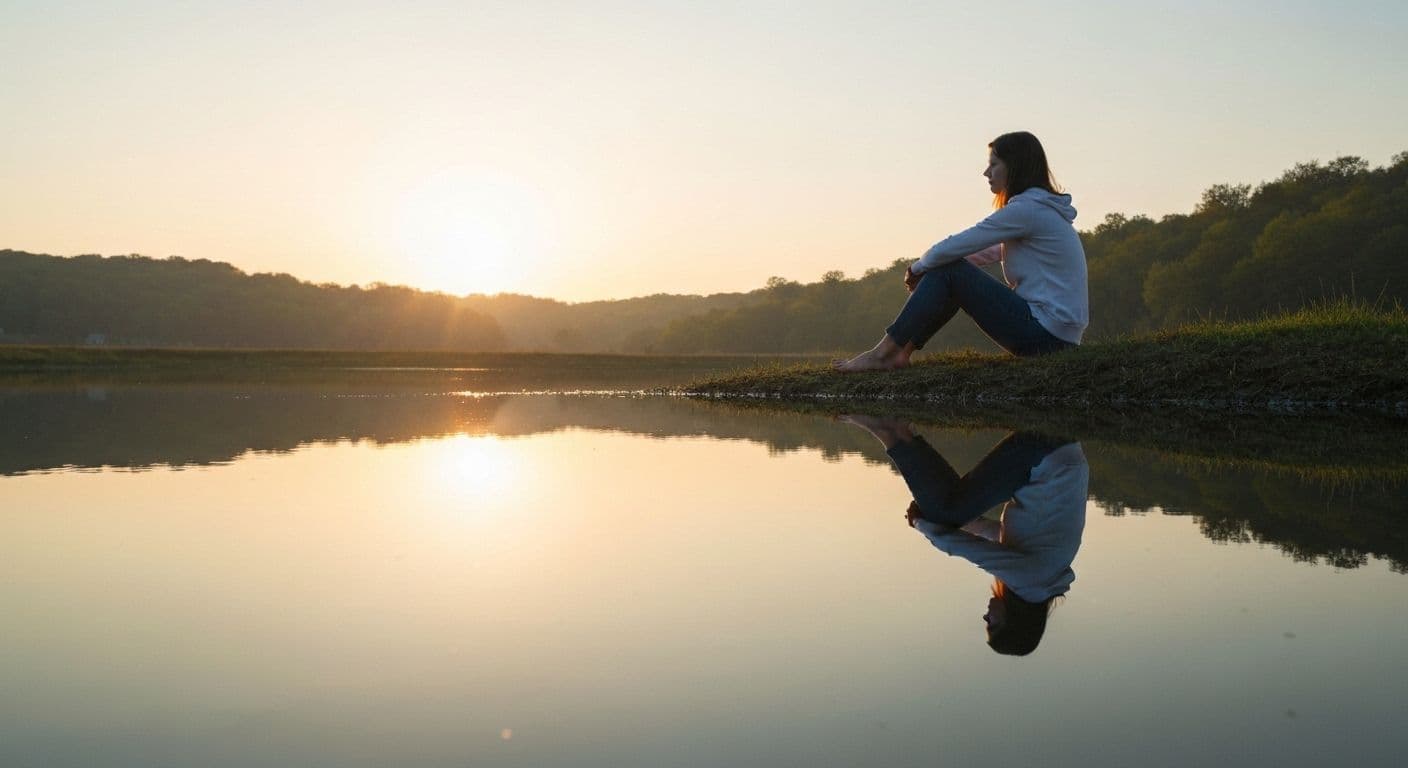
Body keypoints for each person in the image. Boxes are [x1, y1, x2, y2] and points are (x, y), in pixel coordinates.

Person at [833, 132, 1089, 371]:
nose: (986, 172)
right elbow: (986, 252)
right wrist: (934, 270)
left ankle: (882, 354)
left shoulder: (1027, 211)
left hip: (1045, 336)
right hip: (1056, 336)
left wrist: (919, 267)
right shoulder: (1038, 211)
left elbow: (962, 242)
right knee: (949, 268)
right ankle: (900, 353)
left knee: (950, 267)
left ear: (1015, 167)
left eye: (994, 164)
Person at [838, 414, 1089, 656]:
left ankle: (888, 429)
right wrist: (923, 525)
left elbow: (997, 533)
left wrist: (949, 524)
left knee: (946, 512)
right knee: (943, 512)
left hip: (1055, 453)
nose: (986, 617)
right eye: (992, 624)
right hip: (1045, 456)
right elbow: (971, 551)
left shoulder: (1042, 579)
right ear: (1015, 622)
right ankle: (895, 430)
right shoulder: (1031, 582)